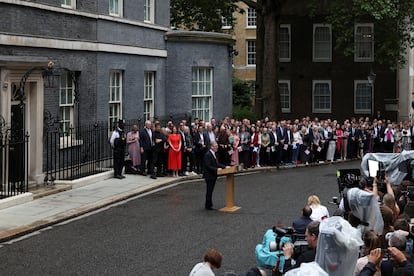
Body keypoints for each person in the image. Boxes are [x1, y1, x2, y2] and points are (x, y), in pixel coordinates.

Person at [203, 141, 225, 210]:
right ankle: (208, 206)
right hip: (209, 176)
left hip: (213, 175)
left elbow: (217, 163)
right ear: (211, 147)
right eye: (216, 146)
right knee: (209, 191)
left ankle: (209, 204)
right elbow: (208, 166)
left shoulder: (214, 154)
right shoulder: (208, 155)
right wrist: (216, 169)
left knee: (211, 190)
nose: (217, 147)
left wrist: (224, 167)